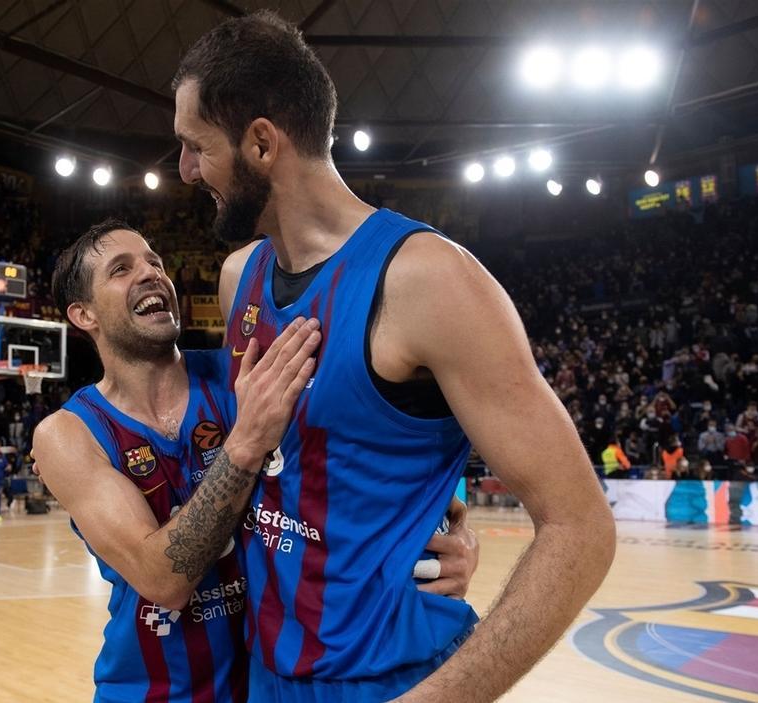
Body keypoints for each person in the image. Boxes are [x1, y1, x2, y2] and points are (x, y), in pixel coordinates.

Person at [178, 12, 614, 700]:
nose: (185, 169)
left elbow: (581, 527)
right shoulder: (239, 279)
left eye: (195, 146)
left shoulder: (428, 280)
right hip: (266, 672)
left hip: (394, 678)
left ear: (261, 143)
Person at [34, 221, 478, 701]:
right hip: (149, 690)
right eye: (122, 269)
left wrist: (449, 536)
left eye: (155, 262)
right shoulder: (69, 434)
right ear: (84, 315)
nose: (151, 274)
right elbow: (162, 579)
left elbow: (370, 448)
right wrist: (245, 441)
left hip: (268, 683)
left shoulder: (244, 376)